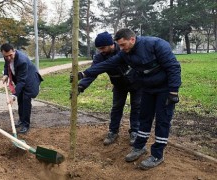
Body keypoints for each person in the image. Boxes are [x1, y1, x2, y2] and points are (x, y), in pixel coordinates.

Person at [73, 28, 181, 170]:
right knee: (144, 118)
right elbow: (107, 64)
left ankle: (157, 155)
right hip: (147, 88)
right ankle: (139, 147)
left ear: (132, 39)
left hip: (164, 89)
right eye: (120, 45)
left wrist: (173, 91)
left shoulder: (156, 44)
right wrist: (84, 73)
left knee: (162, 120)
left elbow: (173, 67)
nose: (121, 48)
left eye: (123, 45)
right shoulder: (125, 53)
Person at [77, 31, 141, 146]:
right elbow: (93, 71)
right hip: (119, 85)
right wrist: (81, 86)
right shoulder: (100, 57)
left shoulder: (124, 49)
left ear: (111, 44)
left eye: (103, 48)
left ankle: (135, 132)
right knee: (116, 108)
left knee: (136, 107)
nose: (101, 51)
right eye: (99, 49)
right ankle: (113, 131)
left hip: (136, 83)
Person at [1, 43, 43, 134]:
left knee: (25, 101)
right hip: (20, 80)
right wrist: (5, 74)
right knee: (20, 100)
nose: (8, 58)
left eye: (10, 55)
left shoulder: (21, 61)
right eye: (6, 56)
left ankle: (26, 124)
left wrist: (13, 95)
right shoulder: (7, 57)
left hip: (30, 81)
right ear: (3, 54)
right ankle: (21, 120)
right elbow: (6, 65)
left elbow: (22, 81)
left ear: (14, 51)